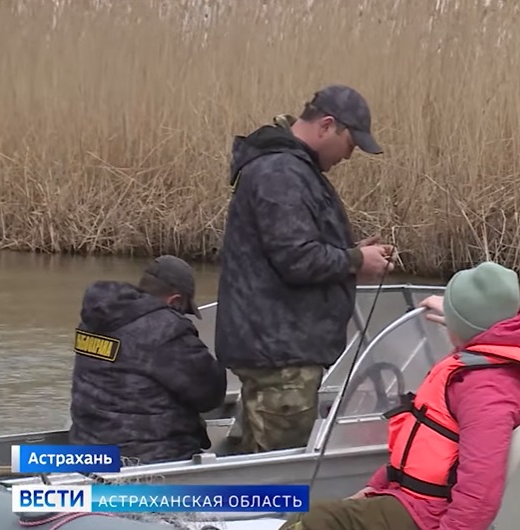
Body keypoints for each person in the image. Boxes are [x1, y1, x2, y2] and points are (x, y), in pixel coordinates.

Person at [279, 261, 520, 530]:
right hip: (416, 501)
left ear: (462, 326)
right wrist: (374, 489)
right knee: (309, 514)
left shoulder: (486, 387)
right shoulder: (498, 363)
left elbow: (479, 491)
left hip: (429, 515)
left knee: (314, 521)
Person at [215, 84, 395, 455]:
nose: (349, 156)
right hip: (281, 356)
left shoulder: (286, 168)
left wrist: (349, 258)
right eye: (351, 143)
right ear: (327, 126)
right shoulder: (282, 171)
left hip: (276, 349)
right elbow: (296, 259)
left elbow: (289, 252)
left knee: (259, 460)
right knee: (275, 472)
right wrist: (357, 260)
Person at [68, 255, 228, 465]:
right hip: (149, 457)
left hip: (85, 451)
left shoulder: (94, 321)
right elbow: (211, 394)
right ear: (176, 301)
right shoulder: (166, 330)